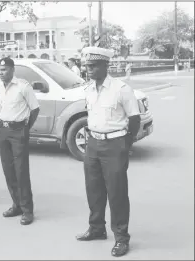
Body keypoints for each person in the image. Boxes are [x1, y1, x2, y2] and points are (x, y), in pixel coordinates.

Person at [76, 47, 141, 258]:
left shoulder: (121, 89)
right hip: (93, 144)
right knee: (93, 190)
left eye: (93, 66)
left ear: (106, 66)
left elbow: (134, 120)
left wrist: (125, 144)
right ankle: (97, 228)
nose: (89, 69)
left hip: (115, 145)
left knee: (117, 193)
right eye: (87, 66)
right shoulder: (88, 89)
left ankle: (121, 238)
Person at [0, 57, 40, 225]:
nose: (1, 72)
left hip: (18, 130)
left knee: (21, 171)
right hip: (4, 130)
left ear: (12, 70)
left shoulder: (23, 86)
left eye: (4, 69)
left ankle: (27, 210)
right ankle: (17, 205)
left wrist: (25, 128)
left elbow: (35, 109)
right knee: (8, 170)